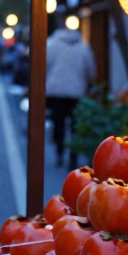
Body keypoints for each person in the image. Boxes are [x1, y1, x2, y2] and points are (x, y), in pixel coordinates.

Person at [45, 26, 96, 169]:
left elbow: (43, 66)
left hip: (55, 92)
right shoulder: (83, 47)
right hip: (77, 92)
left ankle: (59, 153)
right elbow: (91, 71)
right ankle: (73, 158)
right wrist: (88, 84)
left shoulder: (51, 44)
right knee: (75, 126)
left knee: (58, 123)